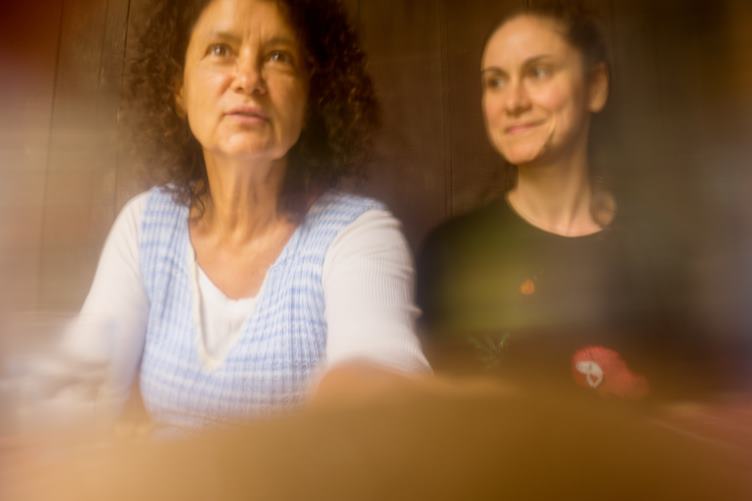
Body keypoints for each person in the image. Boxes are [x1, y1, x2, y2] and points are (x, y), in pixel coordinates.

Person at [56, 0, 428, 429]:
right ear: (178, 88)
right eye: (220, 50)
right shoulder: (144, 225)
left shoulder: (358, 235)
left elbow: (383, 394)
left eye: (278, 57)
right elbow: (75, 398)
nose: (249, 79)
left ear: (309, 97)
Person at [417, 1, 706, 398]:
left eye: (538, 72)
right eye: (495, 82)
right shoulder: (452, 253)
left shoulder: (656, 249)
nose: (513, 101)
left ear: (595, 87)